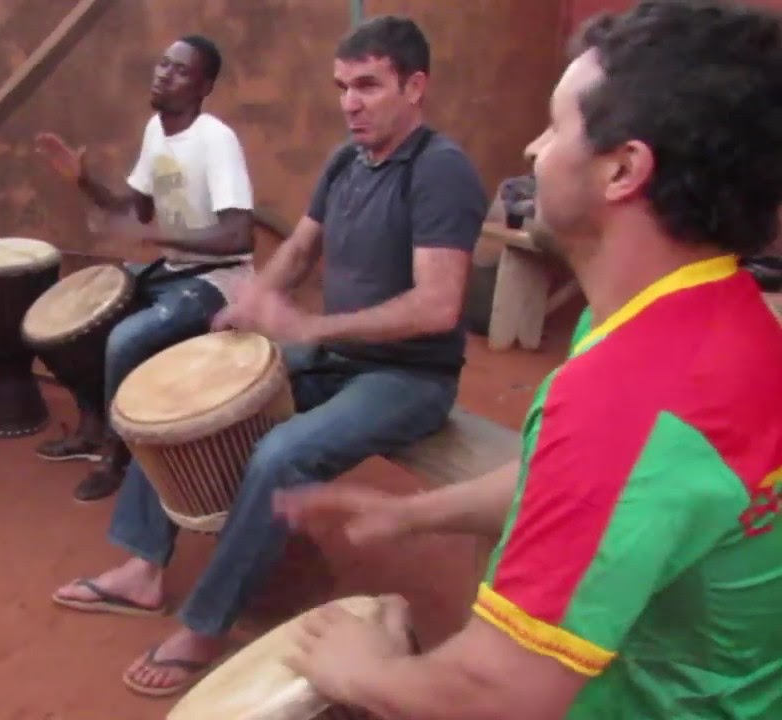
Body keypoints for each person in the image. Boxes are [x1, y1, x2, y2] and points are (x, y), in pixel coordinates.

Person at [274, 2, 782, 718]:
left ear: (623, 169)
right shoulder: (709, 310)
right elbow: (575, 481)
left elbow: (500, 695)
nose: (533, 149)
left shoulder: (631, 401)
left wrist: (364, 671)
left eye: (554, 126)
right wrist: (413, 515)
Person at [50, 17, 487, 696]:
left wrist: (313, 326)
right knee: (185, 394)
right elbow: (301, 247)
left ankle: (205, 625)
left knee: (281, 454)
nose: (351, 103)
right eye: (343, 87)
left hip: (408, 375)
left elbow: (437, 305)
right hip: (335, 353)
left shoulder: (440, 171)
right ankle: (141, 568)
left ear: (415, 87)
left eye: (369, 85)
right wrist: (253, 300)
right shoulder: (347, 161)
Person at [31, 34, 255, 502]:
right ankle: (93, 424)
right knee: (65, 320)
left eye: (180, 70)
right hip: (175, 269)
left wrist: (161, 239)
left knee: (125, 339)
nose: (164, 74)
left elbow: (239, 236)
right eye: (163, 64)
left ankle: (117, 458)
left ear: (204, 87)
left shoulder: (215, 139)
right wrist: (83, 181)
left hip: (220, 278)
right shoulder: (157, 131)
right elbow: (134, 210)